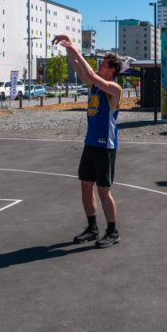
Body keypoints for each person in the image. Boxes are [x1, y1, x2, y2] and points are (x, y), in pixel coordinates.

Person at [52, 34, 124, 248]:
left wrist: (73, 47)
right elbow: (79, 67)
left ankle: (113, 231)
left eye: (103, 63)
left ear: (111, 69)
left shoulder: (114, 90)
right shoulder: (94, 86)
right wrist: (67, 46)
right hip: (91, 143)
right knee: (85, 185)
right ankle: (92, 228)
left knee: (103, 191)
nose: (99, 65)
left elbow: (90, 74)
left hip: (105, 146)